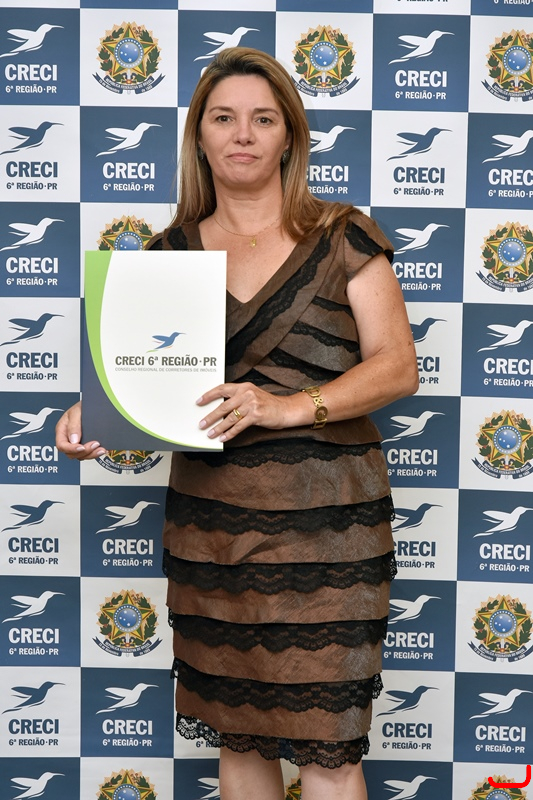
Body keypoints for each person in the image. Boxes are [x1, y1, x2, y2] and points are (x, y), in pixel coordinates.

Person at [56, 47, 418, 800]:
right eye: (223, 118)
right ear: (200, 136)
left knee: (329, 753)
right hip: (212, 530)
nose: (243, 134)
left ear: (290, 136)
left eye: (263, 118)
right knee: (240, 738)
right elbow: (141, 380)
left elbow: (396, 367)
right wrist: (95, 409)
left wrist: (288, 405)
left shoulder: (344, 235)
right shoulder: (165, 255)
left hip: (330, 532)